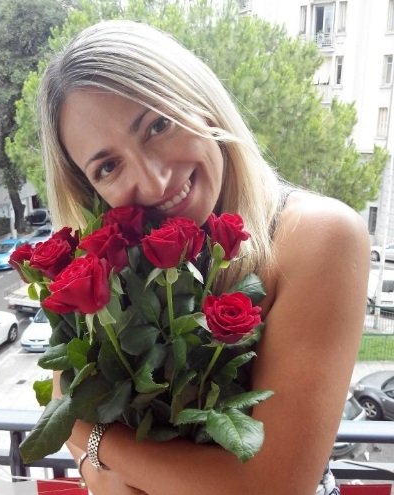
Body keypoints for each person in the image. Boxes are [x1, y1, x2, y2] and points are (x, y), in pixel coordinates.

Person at [38, 20, 370, 495]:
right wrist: (96, 453)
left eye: (158, 125)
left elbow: (273, 487)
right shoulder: (109, 271)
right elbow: (73, 409)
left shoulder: (317, 236)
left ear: (201, 102)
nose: (154, 182)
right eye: (108, 166)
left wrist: (93, 438)